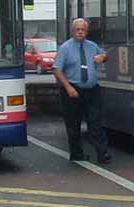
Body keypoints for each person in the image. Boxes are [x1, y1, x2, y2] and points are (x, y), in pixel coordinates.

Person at [53, 18, 111, 163]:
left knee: (95, 123)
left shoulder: (92, 46)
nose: (80, 32)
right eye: (77, 29)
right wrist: (68, 87)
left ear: (87, 31)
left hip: (92, 90)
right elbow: (57, 69)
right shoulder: (65, 48)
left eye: (83, 30)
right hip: (72, 90)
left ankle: (102, 154)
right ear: (73, 31)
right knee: (73, 125)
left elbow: (105, 55)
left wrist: (103, 57)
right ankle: (76, 154)